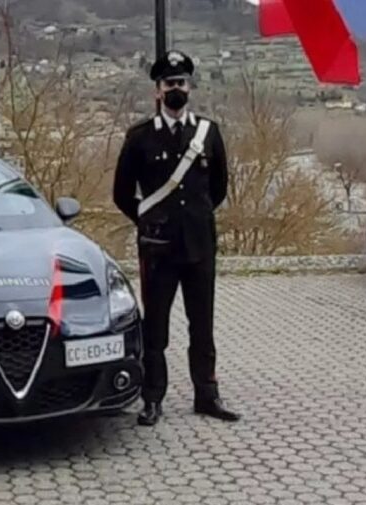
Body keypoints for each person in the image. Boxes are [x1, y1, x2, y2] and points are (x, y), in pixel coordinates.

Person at [113, 50, 240, 427]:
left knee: (202, 324)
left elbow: (217, 188)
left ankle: (207, 394)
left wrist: (194, 219)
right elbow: (122, 192)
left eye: (181, 82)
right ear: (157, 90)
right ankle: (152, 398)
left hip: (199, 246)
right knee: (156, 327)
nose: (176, 89)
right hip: (158, 248)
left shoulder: (208, 133)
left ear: (190, 87)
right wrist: (149, 220)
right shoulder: (139, 137)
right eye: (169, 84)